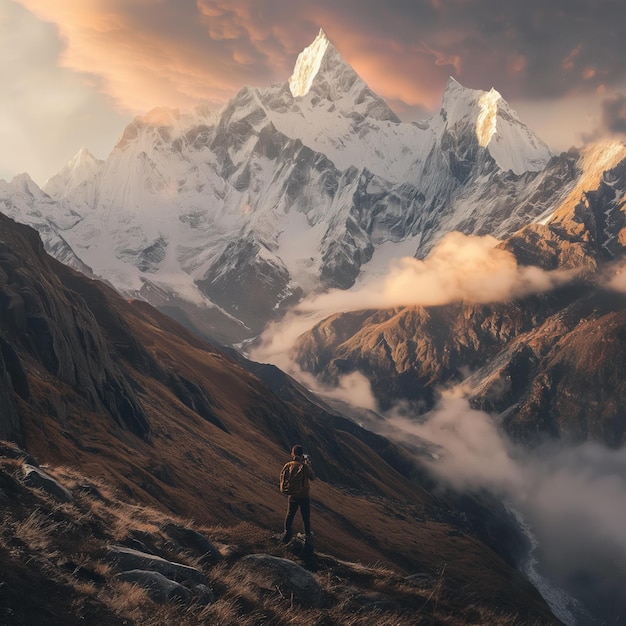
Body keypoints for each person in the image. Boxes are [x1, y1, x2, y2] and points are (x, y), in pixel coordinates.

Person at [280, 444, 315, 543]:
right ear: (301, 455)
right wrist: (307, 464)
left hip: (292, 495)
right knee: (305, 516)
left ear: (292, 453)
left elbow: (283, 478)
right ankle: (307, 534)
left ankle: (287, 532)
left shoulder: (288, 465)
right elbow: (312, 477)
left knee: (290, 514)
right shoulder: (304, 466)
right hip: (304, 495)